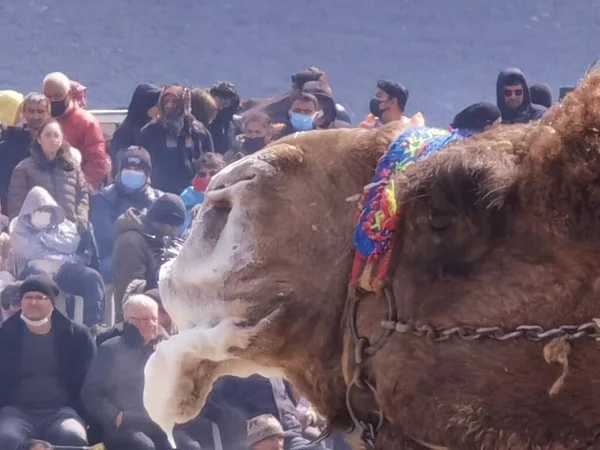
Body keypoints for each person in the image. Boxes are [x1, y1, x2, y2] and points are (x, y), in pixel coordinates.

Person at [0, 274, 95, 448]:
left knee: (74, 436)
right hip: (16, 412)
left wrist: (87, 416)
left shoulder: (77, 335)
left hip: (62, 412)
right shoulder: (5, 335)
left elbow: (91, 381)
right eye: (28, 297)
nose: (33, 302)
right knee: (7, 438)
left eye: (40, 297)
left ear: (52, 302)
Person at [11, 186, 105, 326]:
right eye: (39, 210)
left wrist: (43, 239)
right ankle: (43, 328)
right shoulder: (18, 227)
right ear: (30, 212)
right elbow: (27, 251)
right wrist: (54, 245)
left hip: (64, 266)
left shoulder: (64, 225)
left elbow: (71, 244)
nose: (44, 214)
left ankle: (93, 326)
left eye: (47, 210)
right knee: (41, 287)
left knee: (92, 277)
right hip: (36, 269)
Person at [91, 146, 163, 282]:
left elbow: (164, 235)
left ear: (147, 175)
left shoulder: (158, 199)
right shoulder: (104, 197)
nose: (132, 172)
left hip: (151, 257)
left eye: (138, 170)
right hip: (114, 256)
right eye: (128, 169)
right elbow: (105, 238)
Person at [112, 194, 186, 321]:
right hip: (138, 321)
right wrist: (168, 289)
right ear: (166, 225)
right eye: (174, 227)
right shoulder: (131, 242)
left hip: (160, 314)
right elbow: (130, 291)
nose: (175, 232)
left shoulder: (159, 237)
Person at [7, 119, 89, 229]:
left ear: (61, 139)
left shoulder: (72, 168)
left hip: (71, 232)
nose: (52, 139)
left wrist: (81, 221)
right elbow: (16, 205)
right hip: (36, 234)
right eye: (48, 135)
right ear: (39, 139)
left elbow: (83, 195)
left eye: (56, 135)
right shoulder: (23, 168)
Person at [43, 72, 110, 190]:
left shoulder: (87, 123)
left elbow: (96, 162)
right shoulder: (41, 118)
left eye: (58, 96)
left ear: (68, 94)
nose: (52, 100)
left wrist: (81, 190)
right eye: (48, 96)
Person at [139, 85, 209, 194]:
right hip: (159, 193)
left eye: (174, 102)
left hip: (192, 194)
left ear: (183, 103)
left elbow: (209, 161)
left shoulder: (197, 130)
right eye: (166, 101)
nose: (169, 105)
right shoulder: (150, 131)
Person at [0, 92, 50, 212]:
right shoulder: (6, 148)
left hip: (49, 211)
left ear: (48, 114)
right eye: (31, 111)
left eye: (40, 111)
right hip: (14, 212)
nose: (35, 116)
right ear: (24, 114)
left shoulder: (56, 147)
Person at [109, 84, 161, 170]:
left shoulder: (153, 128)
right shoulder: (124, 133)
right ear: (146, 106)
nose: (160, 109)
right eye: (157, 105)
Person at [180, 152, 226, 233]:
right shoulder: (188, 194)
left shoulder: (226, 194)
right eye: (202, 174)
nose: (207, 178)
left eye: (213, 173)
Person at [208, 81, 243, 154]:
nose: (222, 103)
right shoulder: (205, 122)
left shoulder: (237, 124)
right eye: (218, 99)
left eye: (226, 100)